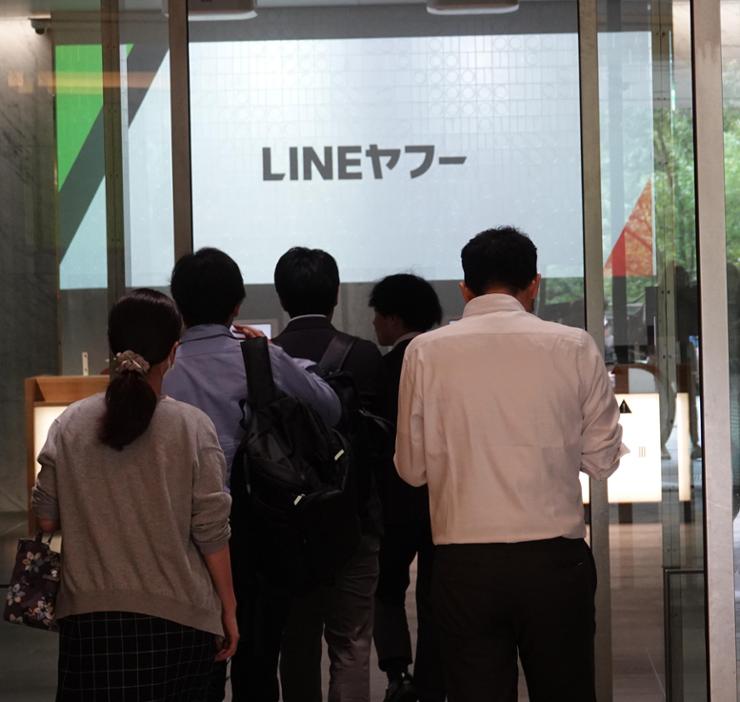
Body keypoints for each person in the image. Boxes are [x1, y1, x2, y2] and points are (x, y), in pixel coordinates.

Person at [395, 227, 626, 702]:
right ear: (534, 284)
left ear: (465, 289)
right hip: (554, 563)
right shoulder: (574, 346)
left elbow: (411, 469)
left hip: (463, 564)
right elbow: (601, 461)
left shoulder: (425, 351)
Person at [32, 289, 238, 701]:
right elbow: (212, 534)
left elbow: (46, 519)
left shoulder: (69, 424)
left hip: (89, 626)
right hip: (179, 624)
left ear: (111, 346)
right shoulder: (193, 427)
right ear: (173, 353)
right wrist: (228, 609)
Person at [162, 247, 341, 702]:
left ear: (178, 306)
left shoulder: (164, 367)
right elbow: (330, 408)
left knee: (189, 663)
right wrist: (284, 362)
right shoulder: (258, 356)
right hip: (259, 526)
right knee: (258, 662)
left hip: (178, 530)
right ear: (237, 304)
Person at [272, 247, 385, 702]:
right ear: (337, 293)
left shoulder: (264, 357)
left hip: (287, 527)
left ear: (281, 296)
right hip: (354, 521)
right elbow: (380, 448)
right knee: (352, 644)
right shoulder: (364, 356)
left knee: (295, 645)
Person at [369, 274, 446, 702]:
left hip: (392, 499)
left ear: (394, 318)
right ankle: (434, 680)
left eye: (378, 316)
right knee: (436, 590)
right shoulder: (447, 362)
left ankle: (397, 672)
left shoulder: (382, 369)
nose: (375, 325)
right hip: (442, 498)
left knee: (388, 587)